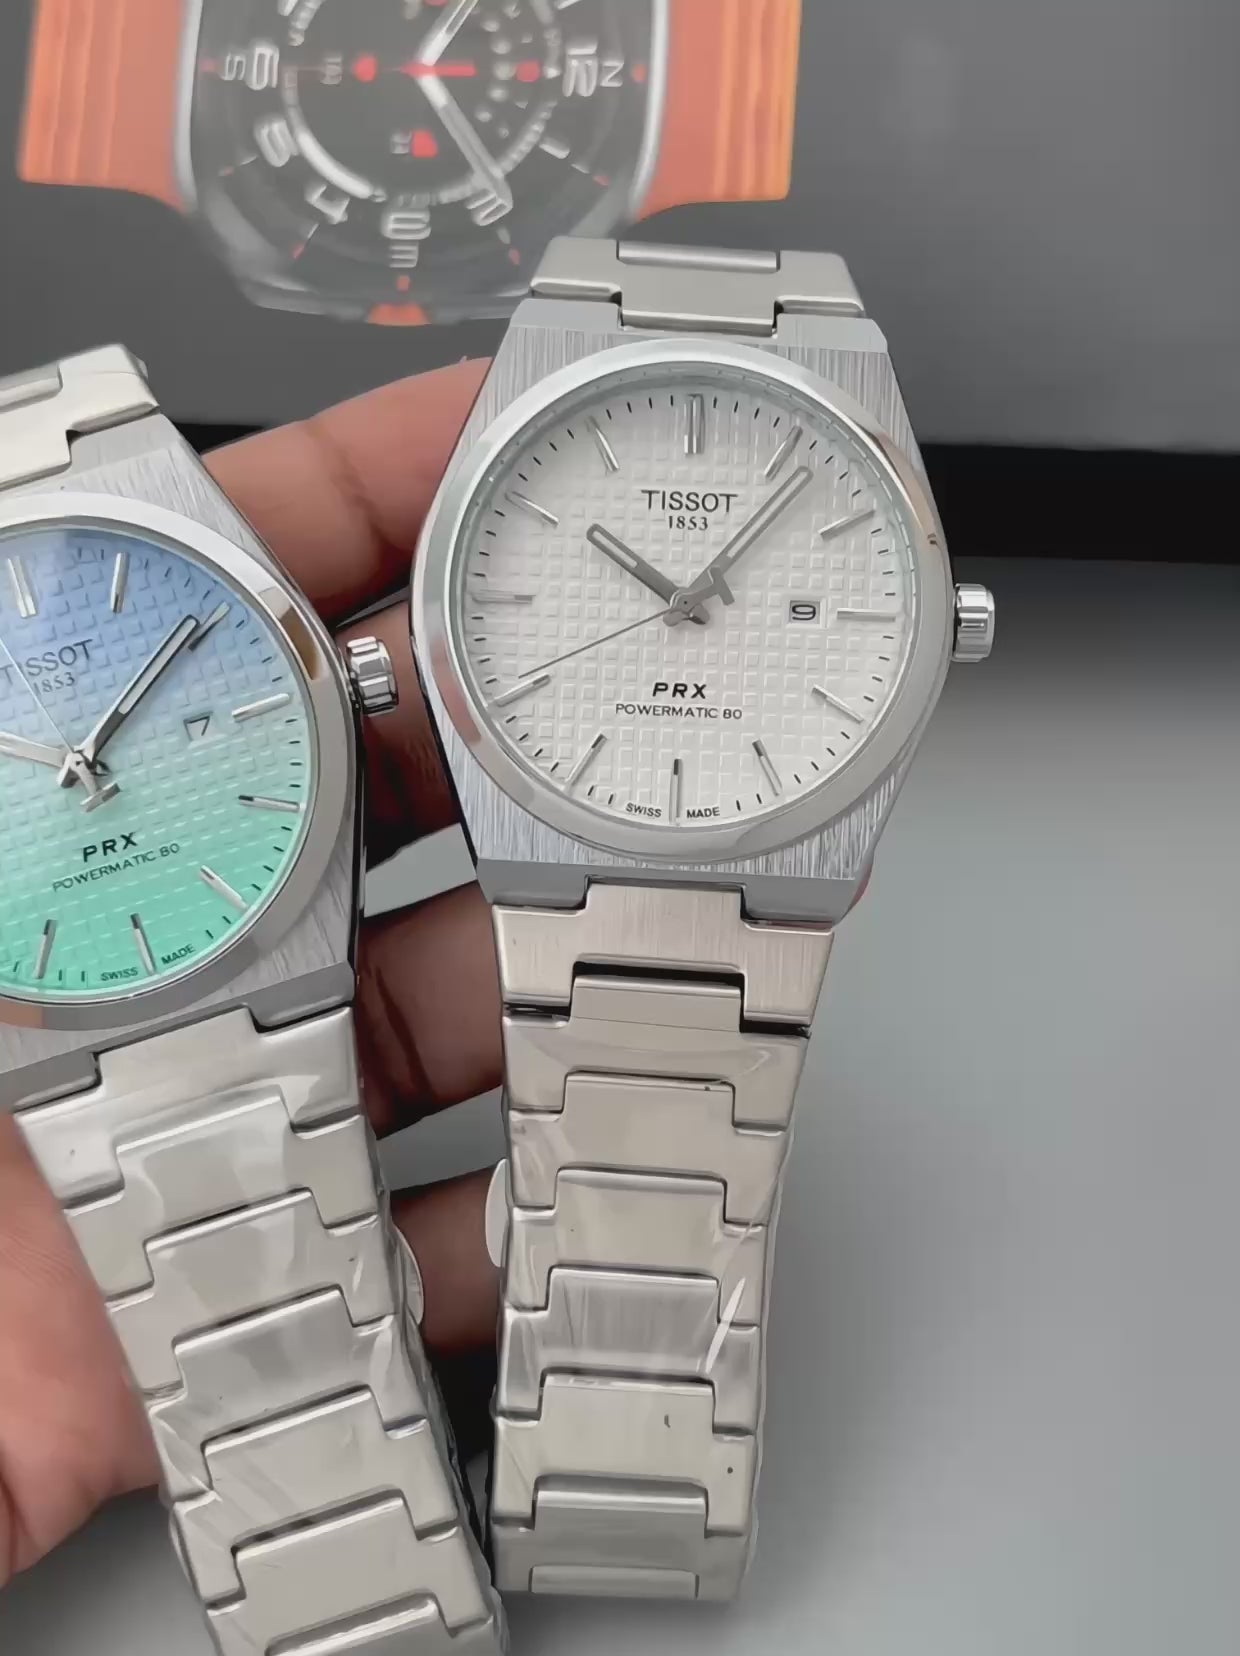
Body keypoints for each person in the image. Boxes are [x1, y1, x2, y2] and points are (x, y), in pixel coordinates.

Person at [0, 360, 500, 1586]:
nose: (77, 770)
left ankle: (370, 1564)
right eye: (62, 764)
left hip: (260, 962)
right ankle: (344, 1576)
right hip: (76, 1026)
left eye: (82, 754)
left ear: (347, 683)